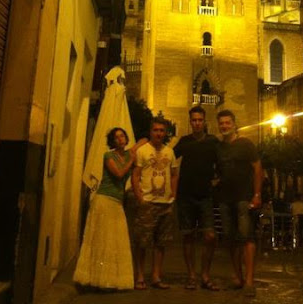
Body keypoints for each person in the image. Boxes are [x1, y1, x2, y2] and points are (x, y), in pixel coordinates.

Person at [73, 127, 138, 291]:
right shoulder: (108, 155)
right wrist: (131, 160)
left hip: (117, 202)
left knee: (116, 240)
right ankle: (97, 279)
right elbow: (118, 173)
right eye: (116, 137)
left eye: (122, 136)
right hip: (104, 199)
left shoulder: (128, 154)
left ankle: (111, 280)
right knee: (103, 239)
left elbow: (142, 142)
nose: (120, 139)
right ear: (112, 141)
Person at [216, 109, 263, 298]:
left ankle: (249, 280)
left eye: (227, 122)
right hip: (225, 199)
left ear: (234, 124)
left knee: (247, 237)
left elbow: (258, 168)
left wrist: (257, 194)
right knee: (230, 239)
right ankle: (238, 277)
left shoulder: (246, 144)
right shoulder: (219, 147)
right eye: (221, 123)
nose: (224, 126)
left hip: (244, 198)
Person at [173, 106, 219, 290]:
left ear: (204, 121)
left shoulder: (213, 141)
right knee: (188, 236)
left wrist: (217, 180)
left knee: (210, 236)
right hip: (185, 195)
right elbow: (169, 157)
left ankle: (205, 274)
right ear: (190, 122)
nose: (197, 123)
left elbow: (223, 161)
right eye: (194, 120)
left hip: (205, 196)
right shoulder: (185, 141)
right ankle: (192, 275)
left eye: (200, 120)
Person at [131, 117, 178, 290]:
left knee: (161, 242)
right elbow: (136, 175)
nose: (159, 133)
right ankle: (140, 275)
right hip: (148, 202)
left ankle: (156, 276)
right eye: (156, 130)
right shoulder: (142, 151)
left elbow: (174, 174)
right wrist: (139, 197)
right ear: (150, 132)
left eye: (161, 130)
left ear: (165, 133)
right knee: (142, 242)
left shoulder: (169, 152)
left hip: (165, 203)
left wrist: (173, 195)